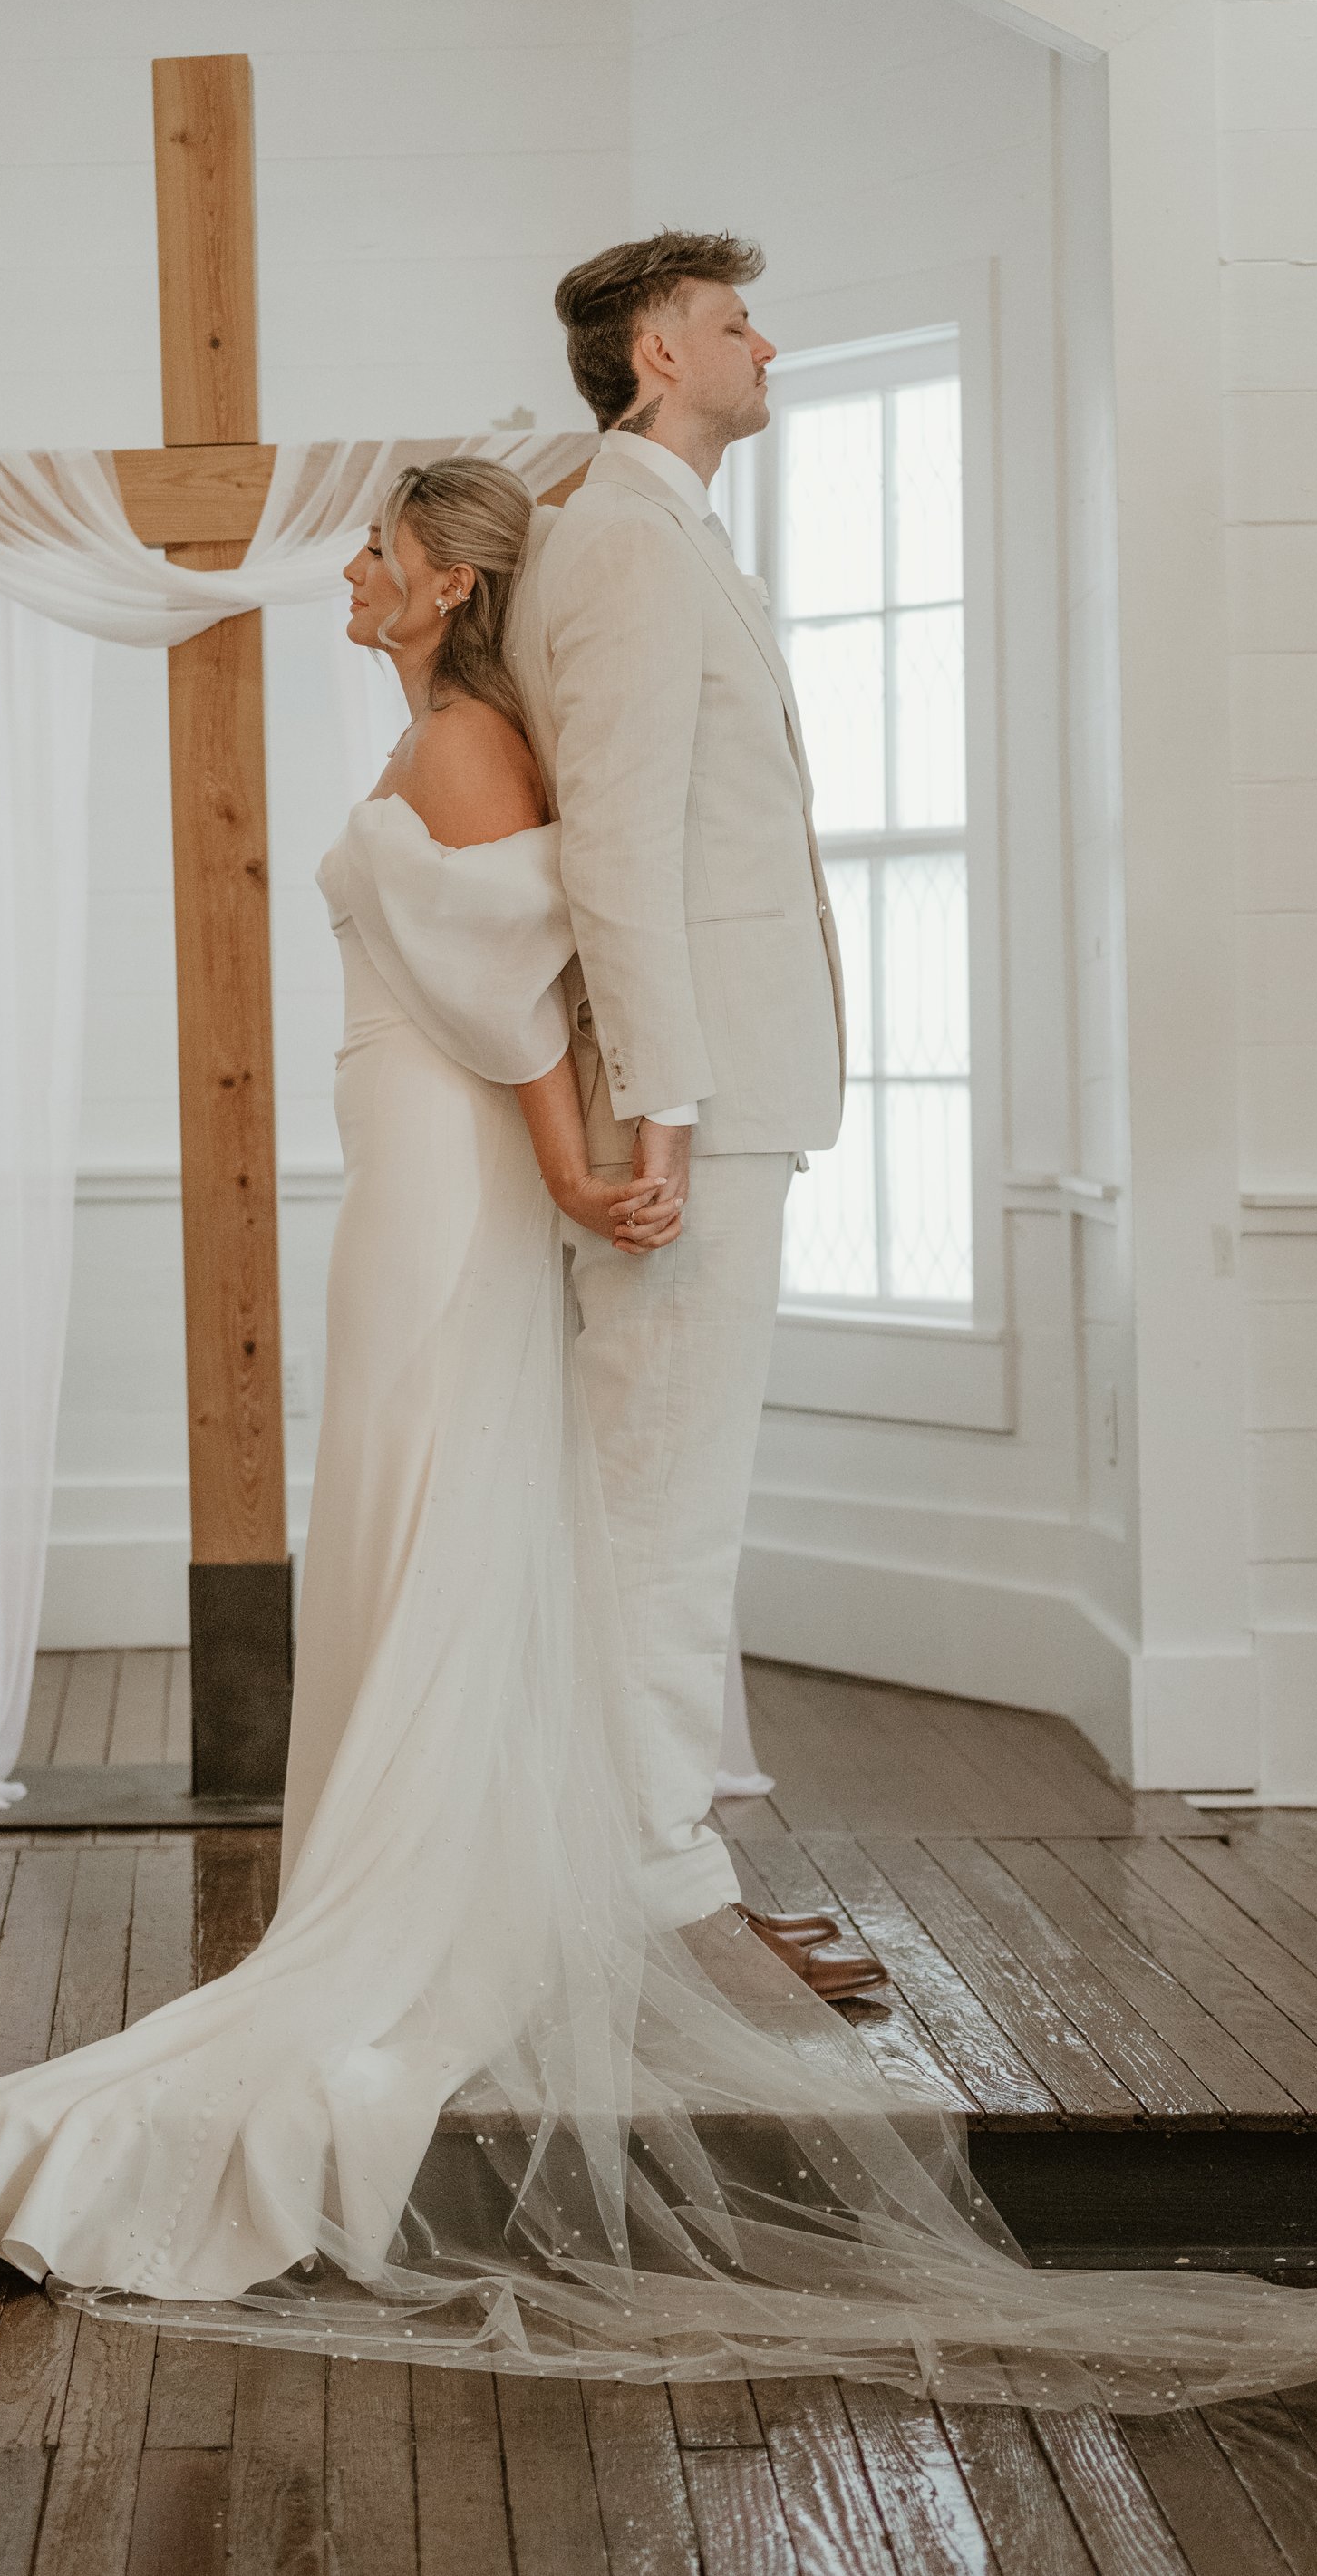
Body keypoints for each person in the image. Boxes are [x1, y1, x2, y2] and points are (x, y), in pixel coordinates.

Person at [0, 452, 1317, 2409]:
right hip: (412, 1165)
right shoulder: (439, 732)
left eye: (372, 553)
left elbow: (518, 988)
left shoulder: (466, 749)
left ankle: (402, 1920)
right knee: (419, 1505)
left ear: (438, 582)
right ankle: (400, 1870)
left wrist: (578, 1167)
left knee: (433, 1490)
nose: (347, 571)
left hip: (451, 1175)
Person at [505, 232, 873, 2000]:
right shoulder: (626, 544)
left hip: (713, 1093)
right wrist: (657, 1097)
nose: (766, 342)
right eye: (738, 322)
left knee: (669, 1500)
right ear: (659, 354)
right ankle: (660, 1903)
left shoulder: (657, 533)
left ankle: (665, 1869)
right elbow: (617, 845)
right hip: (690, 1110)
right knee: (662, 1507)